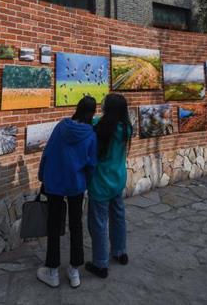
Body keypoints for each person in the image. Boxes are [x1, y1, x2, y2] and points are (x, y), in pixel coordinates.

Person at [37, 96, 98, 289]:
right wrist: (87, 183)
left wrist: (42, 176)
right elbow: (92, 164)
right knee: (76, 224)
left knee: (53, 225)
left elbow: (47, 153)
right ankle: (74, 271)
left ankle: (52, 270)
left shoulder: (61, 127)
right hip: (76, 184)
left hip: (55, 181)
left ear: (77, 108)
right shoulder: (91, 135)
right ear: (93, 113)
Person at [85, 93, 133, 279]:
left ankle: (100, 263)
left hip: (100, 183)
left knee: (98, 224)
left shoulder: (99, 126)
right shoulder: (126, 128)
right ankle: (120, 252)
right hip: (118, 180)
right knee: (118, 217)